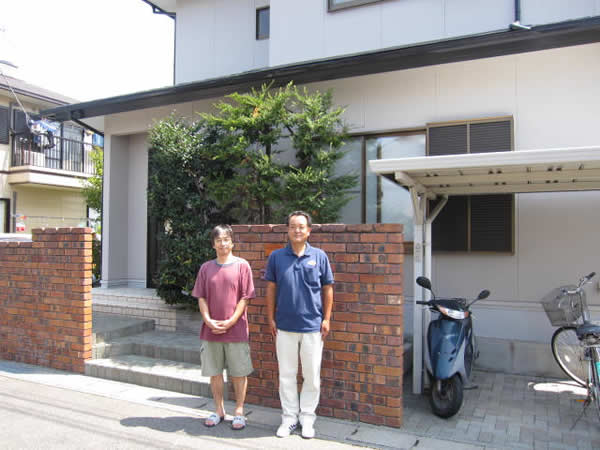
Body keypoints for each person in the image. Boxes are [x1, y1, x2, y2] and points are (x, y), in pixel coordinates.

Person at [264, 211, 334, 439]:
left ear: (309, 230)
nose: (297, 230)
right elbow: (271, 288)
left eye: (301, 226)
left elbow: (327, 288)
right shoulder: (276, 257)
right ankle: (289, 417)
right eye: (293, 226)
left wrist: (327, 318)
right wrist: (270, 317)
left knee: (312, 376)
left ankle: (307, 418)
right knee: (287, 374)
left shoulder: (320, 256)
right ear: (288, 229)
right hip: (284, 326)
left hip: (313, 326)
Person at [192, 224, 255, 430]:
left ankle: (239, 410)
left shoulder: (242, 265)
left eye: (226, 239)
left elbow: (245, 298)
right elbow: (201, 297)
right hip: (210, 330)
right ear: (213, 244)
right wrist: (208, 320)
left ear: (232, 242)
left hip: (236, 330)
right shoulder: (206, 268)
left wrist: (231, 321)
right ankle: (219, 409)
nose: (223, 243)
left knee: (239, 372)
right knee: (215, 372)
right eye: (218, 240)